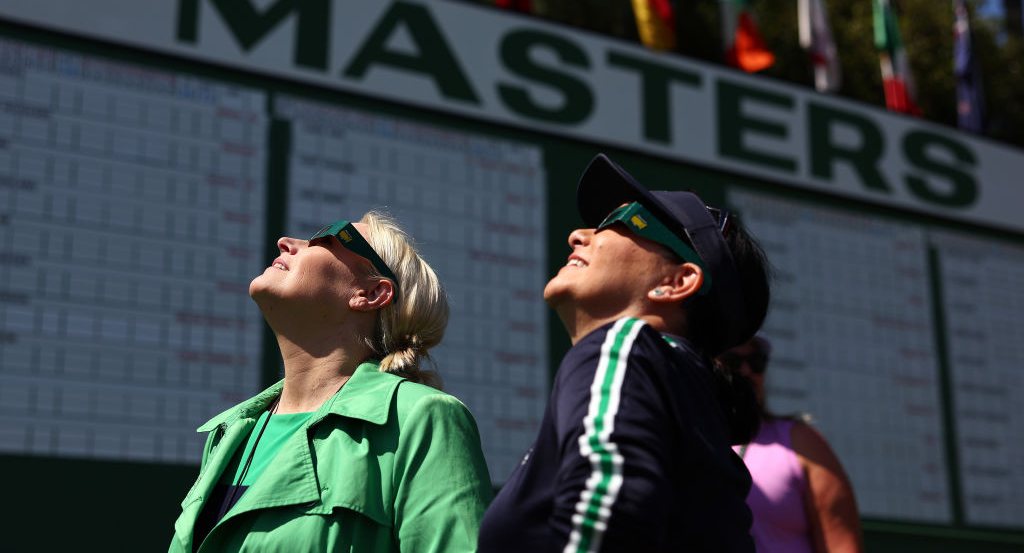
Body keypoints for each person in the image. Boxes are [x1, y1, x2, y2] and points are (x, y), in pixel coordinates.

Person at [477, 153, 772, 552]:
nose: (579, 235)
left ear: (677, 282)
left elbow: (610, 511)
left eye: (621, 222)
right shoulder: (689, 395)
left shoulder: (622, 347)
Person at [169, 212, 493, 553]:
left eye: (326, 238)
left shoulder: (421, 419)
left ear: (370, 293)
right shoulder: (230, 434)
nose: (286, 243)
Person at [722, 336, 864, 553]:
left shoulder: (801, 442)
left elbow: (842, 546)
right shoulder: (680, 438)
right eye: (732, 361)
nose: (747, 371)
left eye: (756, 361)